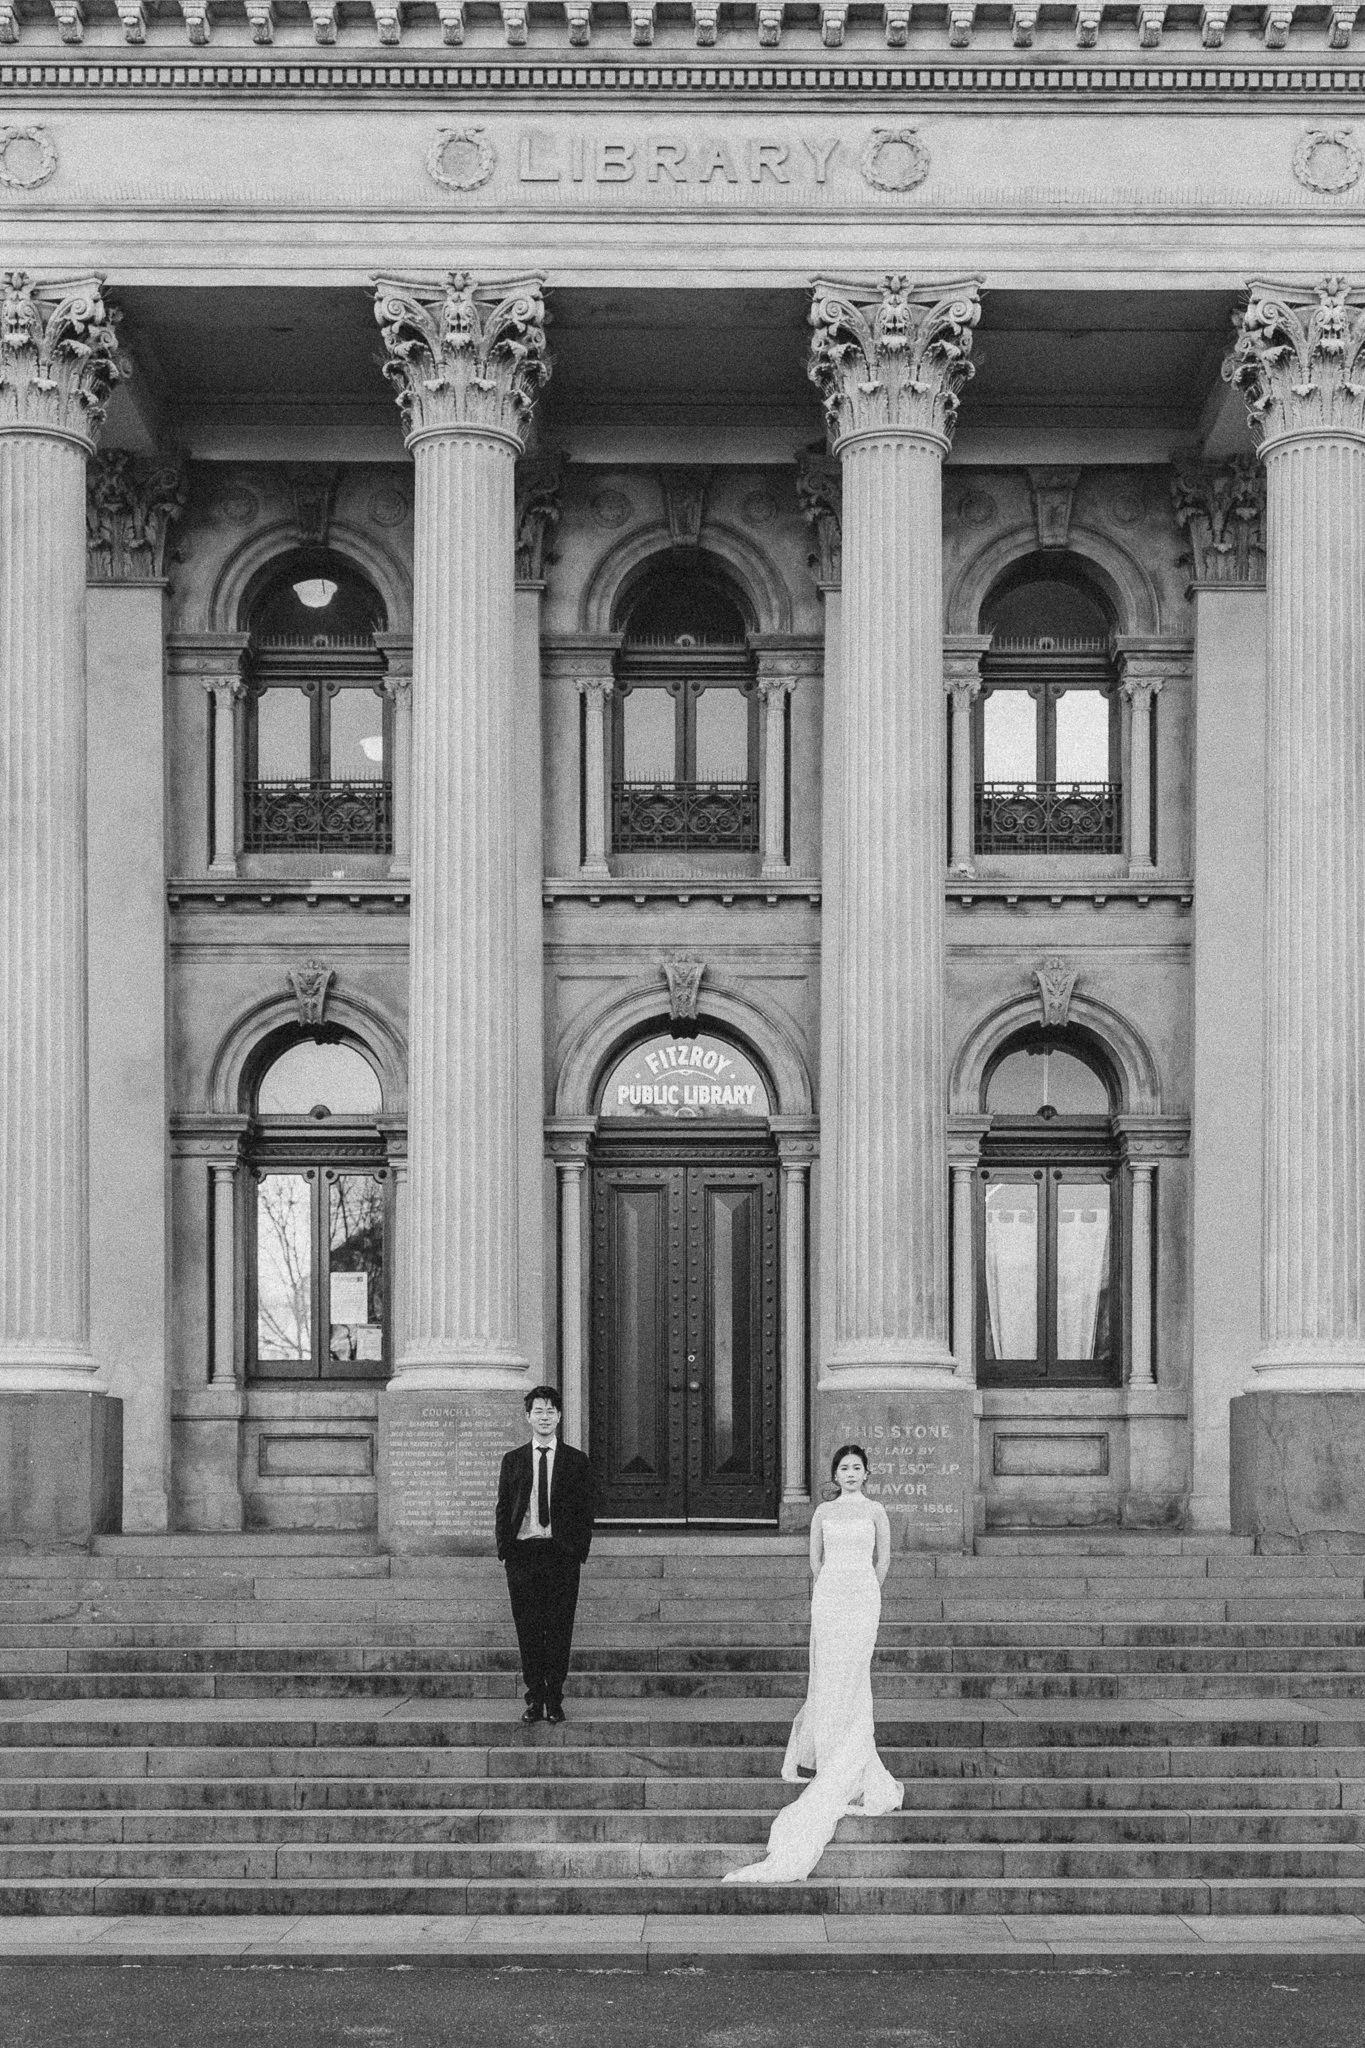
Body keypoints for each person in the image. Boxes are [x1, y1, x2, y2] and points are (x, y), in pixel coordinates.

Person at [723, 1443, 903, 1883]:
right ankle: (828, 1751)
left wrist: (867, 1592)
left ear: (867, 1473)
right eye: (844, 1468)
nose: (851, 1474)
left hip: (862, 1597)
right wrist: (831, 1591)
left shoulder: (877, 1511)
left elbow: (883, 1559)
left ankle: (854, 1751)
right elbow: (815, 1560)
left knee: (854, 1673)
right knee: (829, 1675)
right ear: (834, 1474)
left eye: (857, 1468)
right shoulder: (823, 1513)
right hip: (830, 1597)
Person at [495, 1384, 596, 1725]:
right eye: (538, 1411)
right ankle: (533, 1698)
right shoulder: (513, 1461)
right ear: (527, 1417)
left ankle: (555, 1698)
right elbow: (503, 1508)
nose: (544, 1417)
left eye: (550, 1411)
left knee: (558, 1628)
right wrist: (504, 1550)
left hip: (560, 1555)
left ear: (560, 1416)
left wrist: (578, 1550)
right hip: (523, 1554)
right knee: (528, 1629)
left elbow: (585, 1510)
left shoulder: (576, 1461)